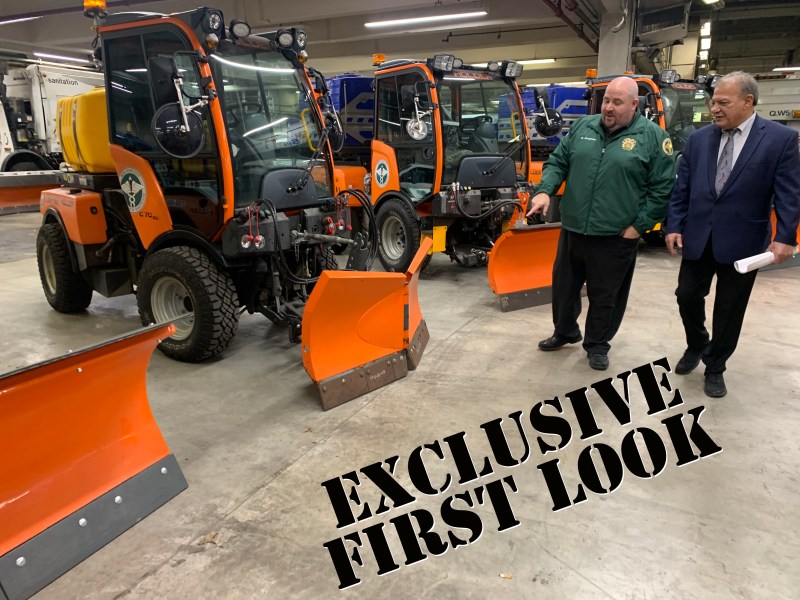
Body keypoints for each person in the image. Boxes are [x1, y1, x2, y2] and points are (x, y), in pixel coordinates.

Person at [665, 71, 800, 398]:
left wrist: (785, 237)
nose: (715, 109)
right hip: (698, 236)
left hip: (745, 241)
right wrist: (674, 225)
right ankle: (697, 343)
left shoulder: (779, 140)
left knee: (729, 308)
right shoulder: (698, 140)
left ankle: (715, 366)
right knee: (686, 295)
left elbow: (789, 194)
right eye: (714, 102)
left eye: (723, 102)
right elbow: (681, 189)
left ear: (748, 102)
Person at [527, 76, 675, 370]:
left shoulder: (653, 138)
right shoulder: (584, 127)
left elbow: (662, 188)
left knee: (605, 295)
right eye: (606, 100)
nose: (608, 107)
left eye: (617, 102)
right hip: (573, 228)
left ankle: (597, 344)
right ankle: (565, 331)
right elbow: (558, 162)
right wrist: (544, 190)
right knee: (564, 289)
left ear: (634, 104)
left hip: (616, 235)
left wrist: (639, 227)